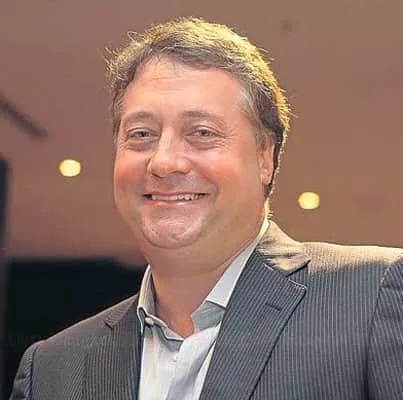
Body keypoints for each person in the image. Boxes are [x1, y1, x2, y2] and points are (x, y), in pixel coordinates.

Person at [10, 17, 403, 400]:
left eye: (201, 133)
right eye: (141, 134)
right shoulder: (52, 370)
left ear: (265, 158)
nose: (164, 162)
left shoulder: (371, 298)